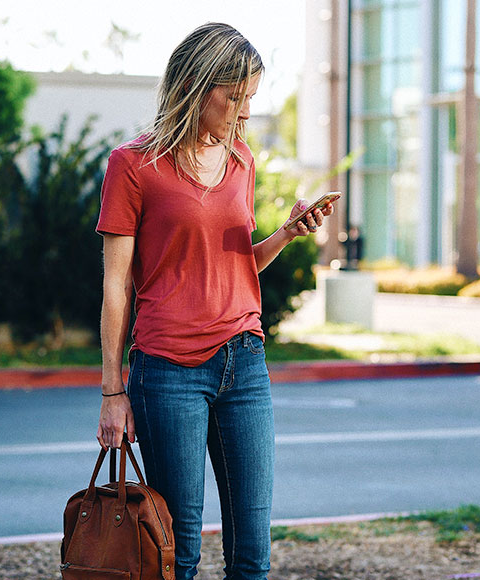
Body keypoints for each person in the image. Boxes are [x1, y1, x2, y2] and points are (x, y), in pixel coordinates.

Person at [94, 23, 335, 580]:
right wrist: (113, 390)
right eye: (235, 96)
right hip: (169, 370)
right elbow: (114, 288)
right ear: (198, 87)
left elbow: (233, 261)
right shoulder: (133, 167)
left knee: (253, 554)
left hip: (244, 363)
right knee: (178, 555)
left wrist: (286, 234)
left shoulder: (241, 161)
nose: (245, 111)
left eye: (251, 97)